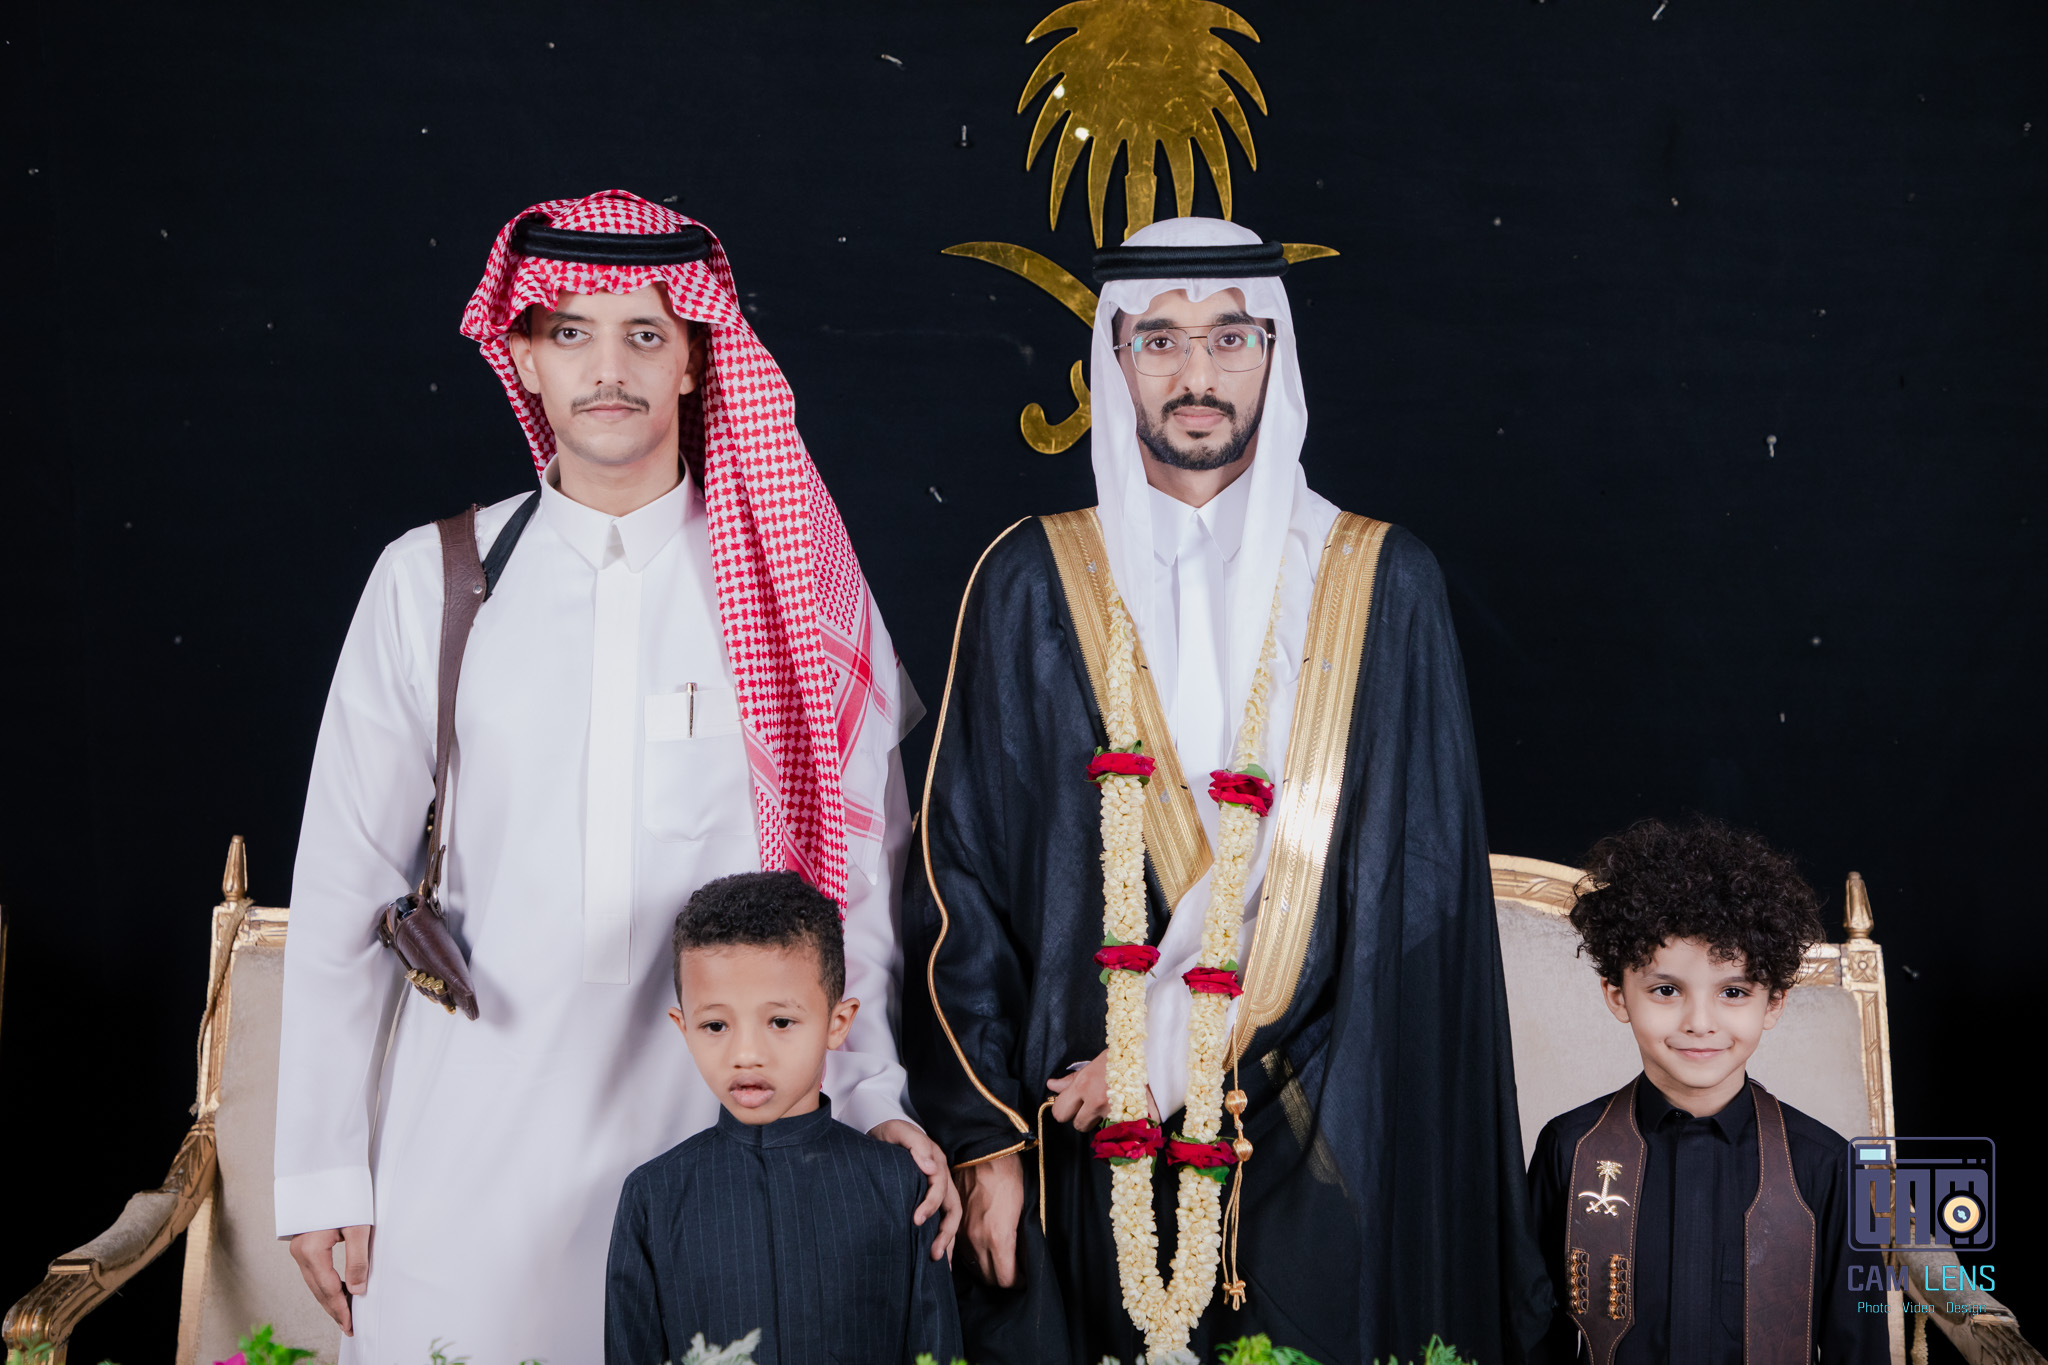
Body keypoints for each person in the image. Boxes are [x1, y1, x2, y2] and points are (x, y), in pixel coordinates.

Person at [274, 189, 956, 1365]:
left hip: (723, 1144)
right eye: (570, 333)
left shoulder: (793, 588)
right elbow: (346, 887)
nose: (607, 369)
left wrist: (869, 1096)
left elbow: (856, 885)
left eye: (644, 334)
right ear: (522, 358)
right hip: (466, 1143)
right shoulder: (431, 580)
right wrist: (323, 1164)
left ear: (694, 358)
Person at [904, 216, 1548, 1365]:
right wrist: (985, 1142)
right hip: (1081, 1127)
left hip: (1321, 1119)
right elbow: (959, 877)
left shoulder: (1378, 582)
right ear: (1113, 359)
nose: (1195, 374)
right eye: (1158, 339)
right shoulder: (1030, 579)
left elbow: (1415, 892)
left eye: (1228, 337)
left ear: (1273, 353)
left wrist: (1170, 1050)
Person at [1525, 817, 1887, 1363]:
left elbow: (1859, 1349)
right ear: (1617, 995)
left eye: (1733, 992)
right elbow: (1533, 1337)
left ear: (1774, 1003)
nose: (1700, 1022)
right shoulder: (1569, 1148)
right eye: (1666, 990)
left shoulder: (1827, 1166)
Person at [606, 871, 963, 1365]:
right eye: (715, 1025)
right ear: (683, 1028)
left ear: (837, 1023)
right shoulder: (654, 1197)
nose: (746, 1054)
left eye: (780, 1021)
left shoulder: (900, 1186)